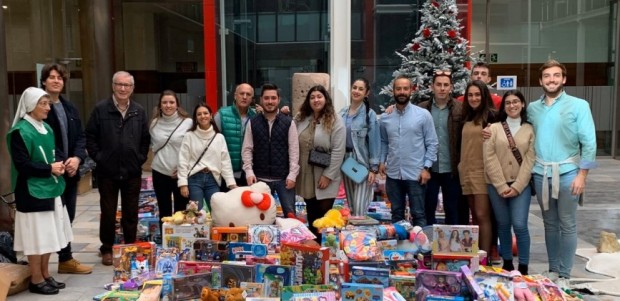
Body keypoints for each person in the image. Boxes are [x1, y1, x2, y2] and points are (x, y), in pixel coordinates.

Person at [528, 60, 597, 288]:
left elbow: (589, 143)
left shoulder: (579, 105)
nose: (551, 80)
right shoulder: (532, 108)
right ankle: (553, 270)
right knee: (549, 224)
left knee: (567, 223)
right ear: (540, 81)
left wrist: (582, 175)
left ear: (564, 79)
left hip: (568, 173)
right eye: (547, 76)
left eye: (556, 75)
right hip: (541, 172)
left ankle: (565, 275)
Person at [8, 87, 73, 294]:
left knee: (49, 235)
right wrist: (49, 168)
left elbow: (53, 153)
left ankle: (45, 273)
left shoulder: (46, 127)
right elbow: (22, 164)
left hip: (51, 188)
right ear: (30, 106)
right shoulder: (20, 131)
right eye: (43, 104)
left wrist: (59, 164)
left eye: (48, 104)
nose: (47, 108)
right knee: (36, 238)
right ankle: (36, 279)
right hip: (31, 192)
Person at [85, 71, 150, 266]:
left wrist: (139, 158)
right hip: (107, 172)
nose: (123, 88)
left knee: (131, 212)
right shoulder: (100, 109)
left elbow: (145, 139)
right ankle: (107, 248)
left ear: (132, 88)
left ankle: (129, 247)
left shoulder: (138, 110)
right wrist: (100, 158)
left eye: (127, 85)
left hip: (132, 171)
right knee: (108, 211)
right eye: (119, 84)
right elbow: (90, 137)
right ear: (113, 86)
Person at [40, 63, 92, 274]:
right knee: (49, 219)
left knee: (67, 216)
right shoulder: (40, 108)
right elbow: (43, 139)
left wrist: (77, 159)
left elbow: (81, 136)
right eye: (51, 77)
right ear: (44, 81)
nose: (56, 81)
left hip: (70, 171)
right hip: (50, 172)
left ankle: (65, 258)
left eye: (59, 78)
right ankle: (43, 265)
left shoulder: (69, 107)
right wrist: (63, 161)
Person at [484, 89, 535, 274]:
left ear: (522, 104)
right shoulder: (493, 128)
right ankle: (506, 262)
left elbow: (530, 160)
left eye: (516, 102)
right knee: (503, 224)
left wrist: (517, 186)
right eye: (508, 103)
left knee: (520, 224)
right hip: (496, 185)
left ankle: (523, 265)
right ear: (503, 106)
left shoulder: (530, 130)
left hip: (521, 186)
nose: (512, 105)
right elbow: (489, 158)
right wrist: (501, 185)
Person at [379, 75, 438, 226]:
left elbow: (432, 143)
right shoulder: (386, 117)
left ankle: (422, 248)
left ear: (411, 91)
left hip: (416, 174)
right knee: (396, 214)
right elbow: (384, 141)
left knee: (418, 214)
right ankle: (400, 248)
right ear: (393, 91)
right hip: (393, 174)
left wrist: (426, 168)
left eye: (405, 88)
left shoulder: (423, 115)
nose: (402, 92)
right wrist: (381, 161)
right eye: (398, 88)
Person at [294, 85, 346, 239]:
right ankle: (314, 250)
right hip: (306, 173)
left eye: (319, 96)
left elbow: (338, 151)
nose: (316, 100)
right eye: (312, 97)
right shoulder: (303, 118)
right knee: (311, 214)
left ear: (325, 99)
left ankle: (325, 249)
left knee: (323, 217)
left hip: (325, 174)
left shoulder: (335, 121)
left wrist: (328, 175)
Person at [242, 83, 300, 218]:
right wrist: (249, 172)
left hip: (284, 180)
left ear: (278, 100)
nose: (270, 101)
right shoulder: (253, 122)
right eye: (266, 98)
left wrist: (292, 174)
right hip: (260, 179)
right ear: (261, 99)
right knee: (260, 218)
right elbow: (247, 149)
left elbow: (294, 150)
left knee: (290, 216)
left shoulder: (288, 122)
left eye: (273, 98)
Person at [417, 71, 464, 225]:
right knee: (427, 208)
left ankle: (452, 246)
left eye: (445, 85)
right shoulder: (422, 109)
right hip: (429, 169)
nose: (442, 88)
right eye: (438, 85)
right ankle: (427, 244)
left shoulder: (460, 108)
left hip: (451, 168)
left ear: (451, 87)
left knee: (453, 209)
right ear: (432, 87)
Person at [458, 80, 498, 255]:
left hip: (482, 172)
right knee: (474, 216)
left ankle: (485, 256)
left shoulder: (492, 116)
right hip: (465, 171)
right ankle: (475, 256)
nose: (474, 98)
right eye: (470, 95)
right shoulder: (465, 117)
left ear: (484, 96)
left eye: (477, 94)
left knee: (483, 215)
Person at [177, 104, 237, 211]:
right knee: (197, 213)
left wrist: (231, 183)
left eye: (205, 113)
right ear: (195, 118)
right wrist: (183, 184)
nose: (202, 116)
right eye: (199, 114)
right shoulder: (189, 136)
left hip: (213, 179)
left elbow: (225, 162)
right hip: (194, 179)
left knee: (217, 212)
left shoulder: (219, 137)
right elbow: (183, 160)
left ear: (211, 115)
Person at [149, 90, 193, 223]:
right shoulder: (154, 123)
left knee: (181, 212)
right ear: (160, 105)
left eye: (171, 102)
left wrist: (184, 168)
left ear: (177, 104)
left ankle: (180, 242)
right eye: (164, 102)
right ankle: (165, 242)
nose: (168, 105)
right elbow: (153, 148)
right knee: (164, 211)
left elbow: (193, 149)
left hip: (181, 173)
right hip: (160, 172)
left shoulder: (188, 123)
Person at [338, 78, 380, 216]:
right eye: (354, 87)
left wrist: (374, 169)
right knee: (351, 205)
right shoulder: (342, 113)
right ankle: (354, 237)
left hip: (362, 162)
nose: (356, 91)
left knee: (359, 206)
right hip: (345, 161)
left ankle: (361, 235)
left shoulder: (370, 115)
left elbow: (374, 141)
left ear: (366, 93)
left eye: (361, 89)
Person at [214, 83, 258, 187]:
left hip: (249, 173)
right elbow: (212, 143)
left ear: (252, 98)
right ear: (235, 95)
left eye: (248, 94)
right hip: (226, 173)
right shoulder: (222, 115)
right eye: (241, 93)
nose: (244, 97)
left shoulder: (256, 117)